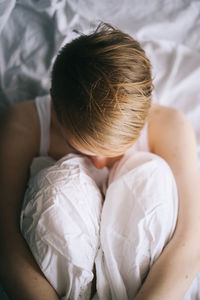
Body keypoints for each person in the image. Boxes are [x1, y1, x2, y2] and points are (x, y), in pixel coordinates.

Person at [0, 23, 200, 300]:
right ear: (55, 107)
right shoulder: (24, 124)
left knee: (151, 174)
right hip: (60, 287)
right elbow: (6, 241)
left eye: (118, 151)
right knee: (56, 185)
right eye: (79, 148)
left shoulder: (170, 125)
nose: (98, 165)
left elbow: (190, 240)